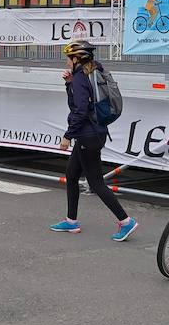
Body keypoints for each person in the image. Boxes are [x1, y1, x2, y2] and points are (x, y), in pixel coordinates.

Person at [49, 40, 137, 241]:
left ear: (76, 59)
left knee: (96, 182)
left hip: (87, 135)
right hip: (95, 132)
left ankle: (126, 221)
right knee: (71, 174)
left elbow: (79, 110)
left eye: (68, 59)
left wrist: (67, 136)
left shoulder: (81, 77)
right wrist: (69, 83)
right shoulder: (94, 71)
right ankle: (71, 221)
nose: (66, 62)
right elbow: (86, 102)